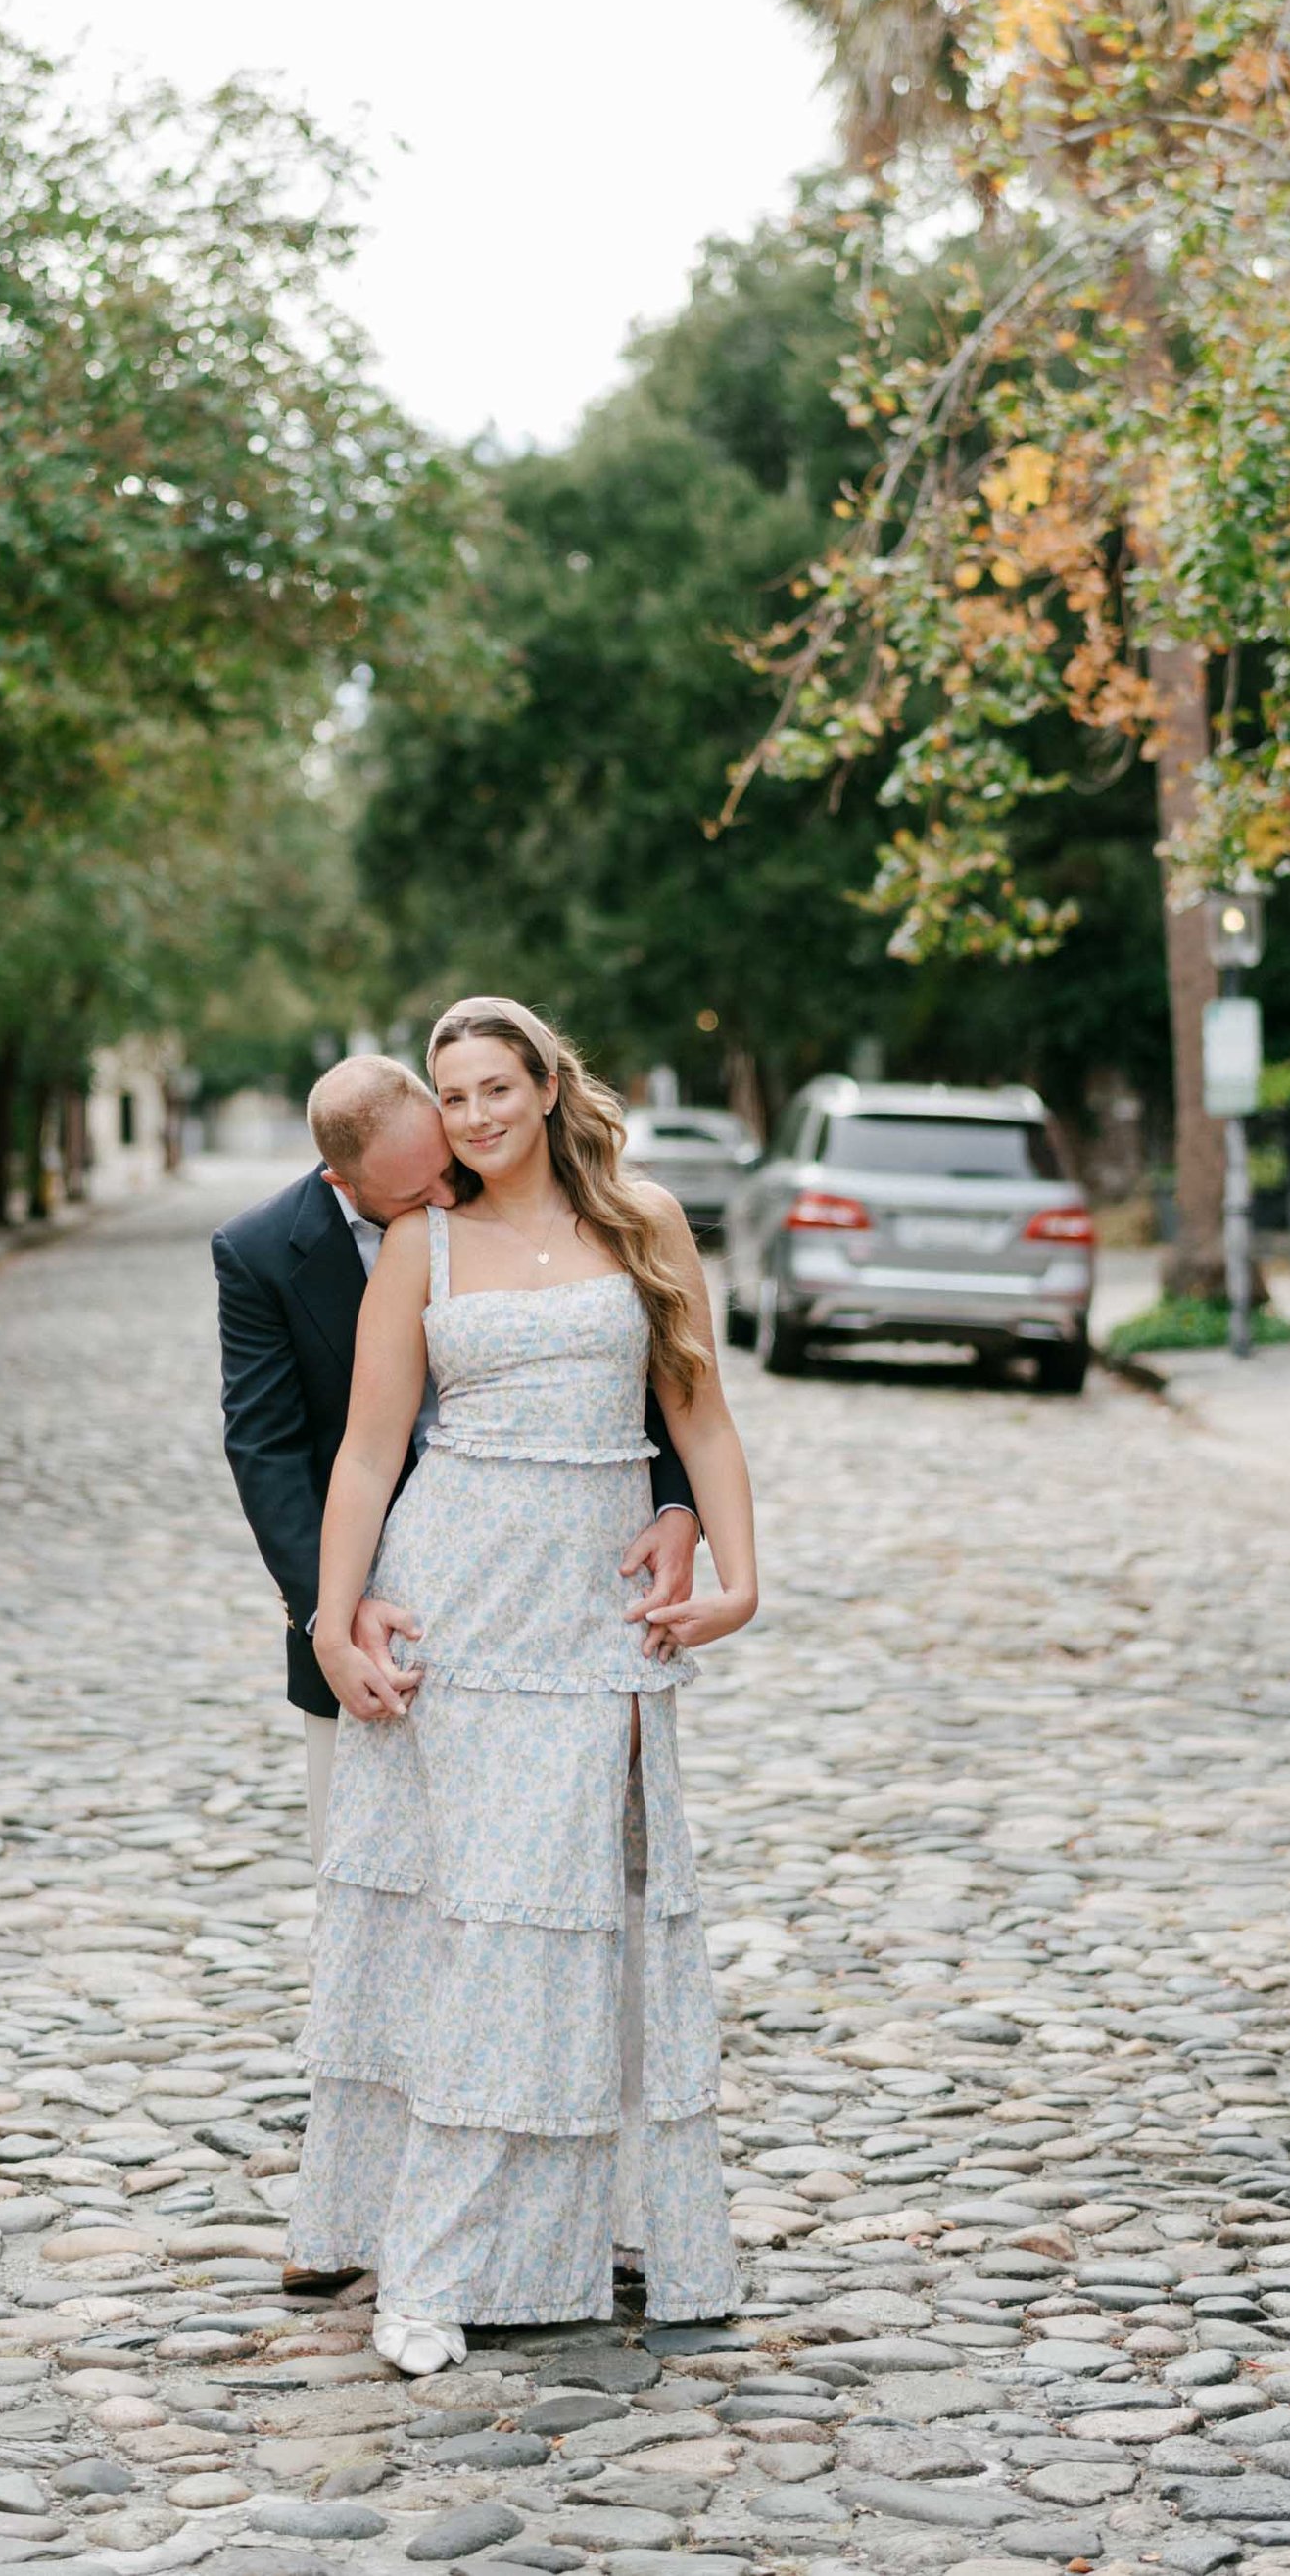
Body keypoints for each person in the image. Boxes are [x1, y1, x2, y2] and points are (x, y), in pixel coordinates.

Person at [287, 997, 758, 2377]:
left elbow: (702, 1410)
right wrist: (333, 1622)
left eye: (500, 1084)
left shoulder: (645, 1223)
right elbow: (369, 1454)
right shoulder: (419, 1247)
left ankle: (572, 2236)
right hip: (459, 1617)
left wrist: (742, 1573)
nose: (480, 1112)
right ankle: (423, 2269)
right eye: (456, 1092)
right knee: (482, 1937)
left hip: (595, 1622)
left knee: (565, 1935)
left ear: (548, 1083)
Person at [213, 1054, 701, 1862]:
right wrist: (336, 1612)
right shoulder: (259, 1251)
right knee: (376, 1868)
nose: (445, 1198)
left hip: (549, 1597)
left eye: (446, 1169)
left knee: (560, 1858)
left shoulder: (524, 1199)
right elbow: (266, 1449)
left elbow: (637, 1375)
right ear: (341, 1183)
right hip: (374, 1610)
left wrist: (679, 1508)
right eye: (413, 1196)